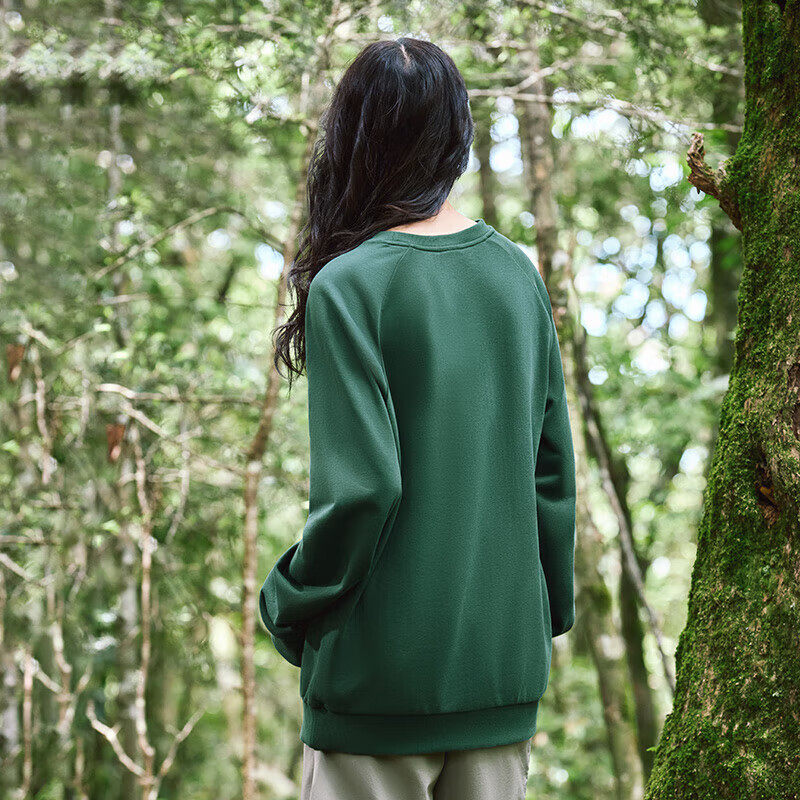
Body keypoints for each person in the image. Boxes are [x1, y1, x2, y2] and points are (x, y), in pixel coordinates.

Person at [259, 36, 576, 800]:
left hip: (374, 687)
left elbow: (363, 491)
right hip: (498, 677)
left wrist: (287, 600)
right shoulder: (517, 275)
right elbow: (552, 474)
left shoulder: (349, 285)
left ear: (352, 140)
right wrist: (542, 617)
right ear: (456, 136)